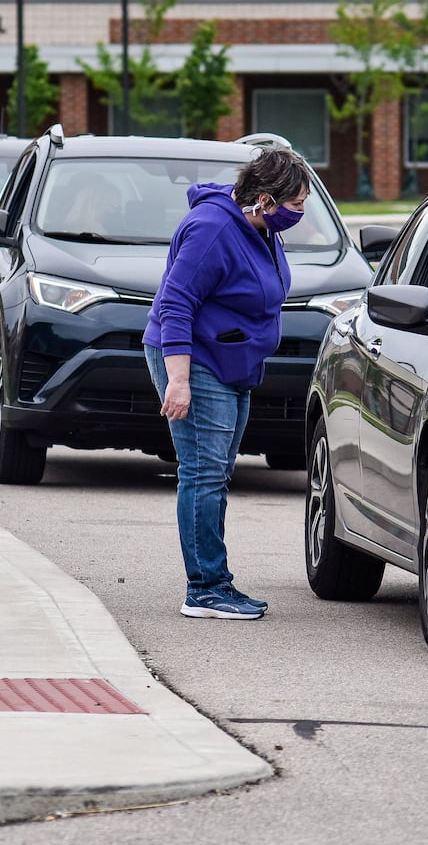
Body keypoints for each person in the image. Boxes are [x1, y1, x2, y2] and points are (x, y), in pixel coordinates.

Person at [143, 147, 310, 620]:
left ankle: (214, 581)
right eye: (295, 206)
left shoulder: (258, 228)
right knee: (203, 473)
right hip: (195, 360)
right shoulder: (213, 229)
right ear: (264, 199)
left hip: (231, 363)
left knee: (215, 473)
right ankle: (206, 588)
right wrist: (178, 380)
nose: (300, 215)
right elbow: (176, 303)